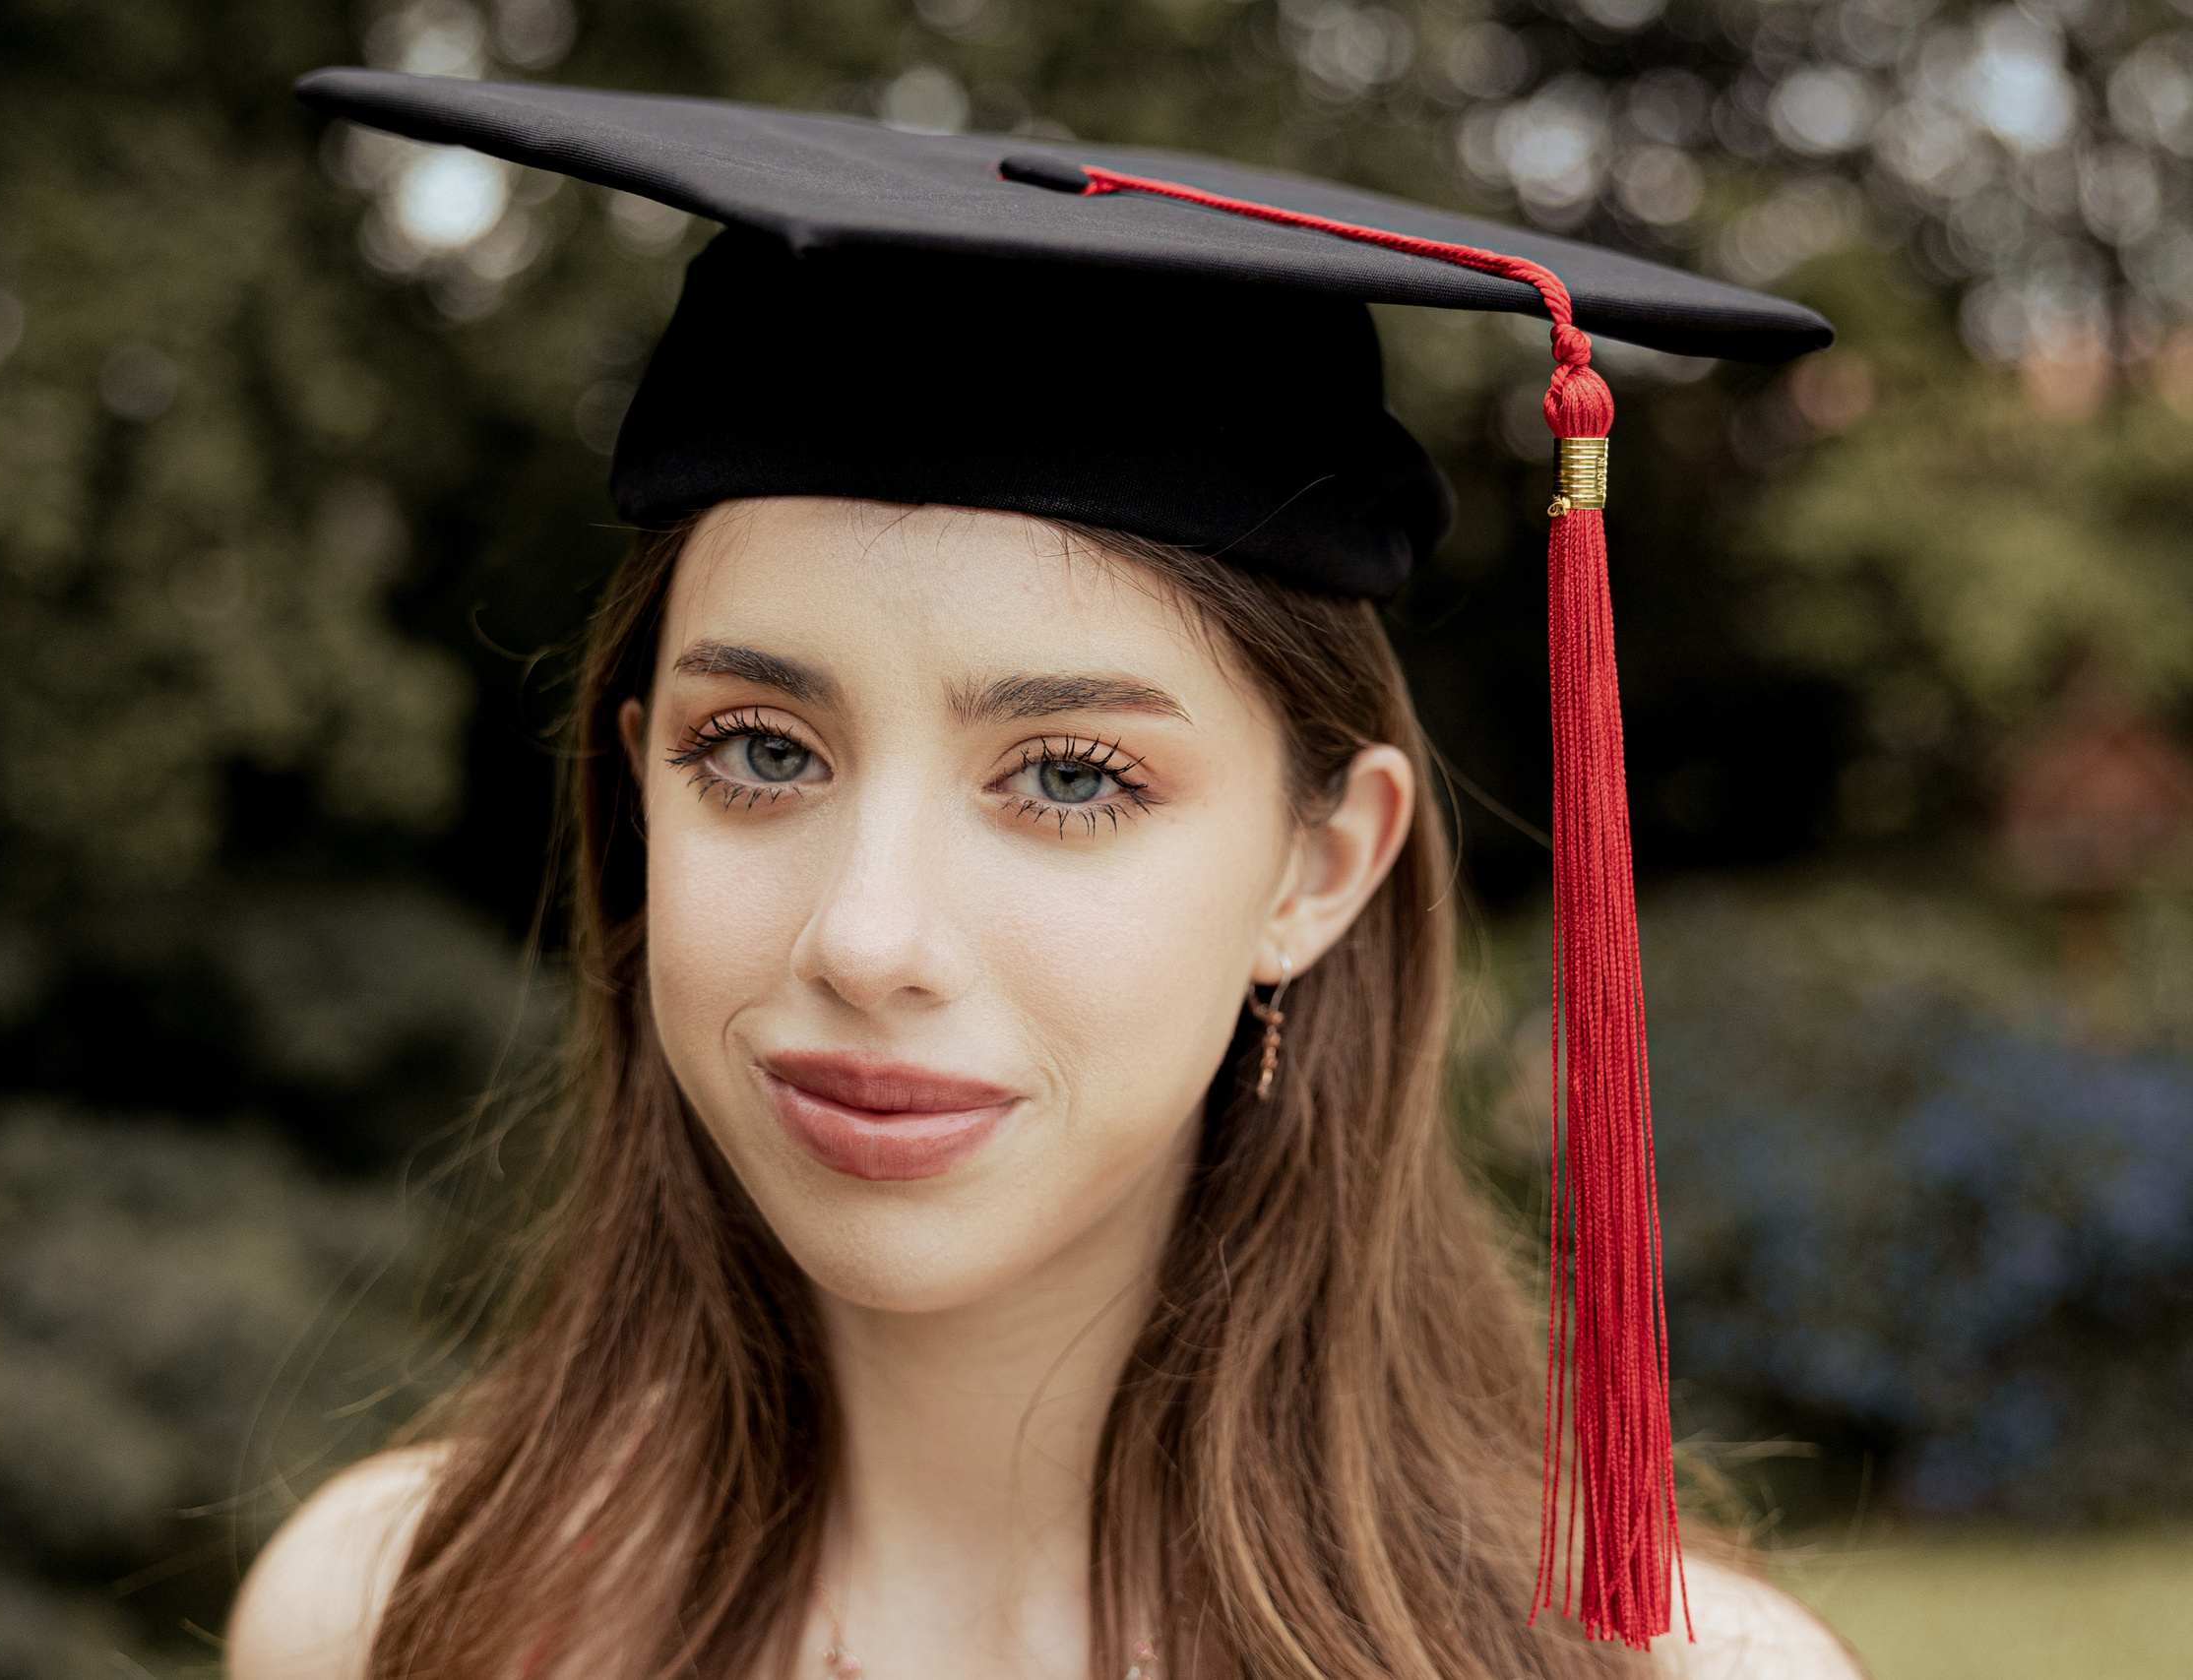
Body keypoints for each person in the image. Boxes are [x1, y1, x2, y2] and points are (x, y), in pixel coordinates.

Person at [227, 72, 1862, 1680]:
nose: (868, 940)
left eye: (1071, 776)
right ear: (641, 782)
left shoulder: (1662, 1674)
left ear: (1321, 866)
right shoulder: (388, 1621)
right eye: (764, 751)